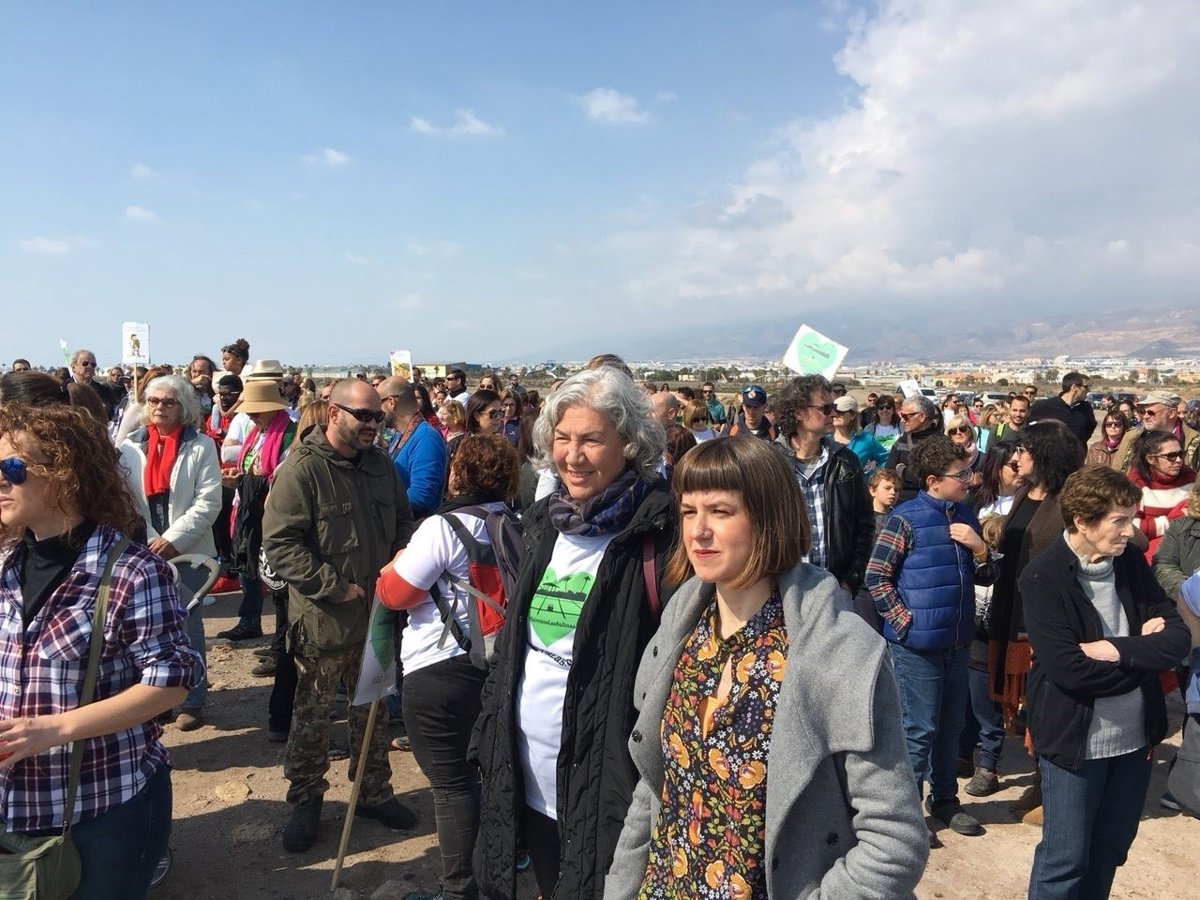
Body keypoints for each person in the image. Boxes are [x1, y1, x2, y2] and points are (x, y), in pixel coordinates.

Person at [604, 436, 928, 898]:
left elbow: (894, 842)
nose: (698, 531)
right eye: (689, 511)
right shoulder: (681, 625)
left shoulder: (838, 650)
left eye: (720, 511)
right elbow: (656, 786)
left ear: (768, 517)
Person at [473, 366, 676, 900]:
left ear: (629, 444)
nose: (573, 456)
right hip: (531, 776)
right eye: (562, 438)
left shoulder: (659, 536)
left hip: (608, 782)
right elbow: (516, 645)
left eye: (591, 439)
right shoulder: (544, 523)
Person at [0, 402, 202, 898]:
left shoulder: (132, 572)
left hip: (102, 806)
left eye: (12, 467)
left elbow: (171, 682)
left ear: (65, 473)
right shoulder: (6, 563)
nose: (0, 479)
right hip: (14, 804)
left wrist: (52, 729)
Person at [261, 379, 417, 852]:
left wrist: (400, 559)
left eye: (378, 417)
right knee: (312, 717)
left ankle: (373, 792)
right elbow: (280, 545)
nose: (373, 425)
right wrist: (335, 586)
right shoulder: (303, 471)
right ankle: (306, 799)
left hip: (376, 618)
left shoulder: (380, 466)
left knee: (372, 712)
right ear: (334, 413)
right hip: (324, 622)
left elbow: (403, 522)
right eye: (363, 416)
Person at [1022, 466, 1189, 899]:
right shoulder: (1042, 578)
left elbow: (1177, 638)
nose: (1131, 532)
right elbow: (1070, 671)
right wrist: (1145, 653)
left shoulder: (1129, 561)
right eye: (1119, 521)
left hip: (1135, 743)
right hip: (1075, 745)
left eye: (1131, 519)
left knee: (1110, 851)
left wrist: (1118, 649)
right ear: (1082, 520)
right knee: (1065, 862)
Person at [376, 434, 520, 900]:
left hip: (438, 669)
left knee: (452, 784)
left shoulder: (441, 528)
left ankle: (460, 890)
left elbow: (397, 594)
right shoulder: (514, 522)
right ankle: (503, 863)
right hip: (497, 666)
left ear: (458, 474)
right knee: (490, 774)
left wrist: (391, 567)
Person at [865, 435, 998, 839]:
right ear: (933, 481)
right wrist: (904, 622)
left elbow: (986, 577)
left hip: (957, 642)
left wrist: (980, 549)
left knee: (951, 725)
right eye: (961, 475)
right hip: (916, 648)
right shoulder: (904, 519)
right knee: (919, 729)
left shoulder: (966, 516)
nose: (969, 480)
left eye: (969, 472)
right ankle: (906, 817)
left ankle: (945, 800)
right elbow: (876, 576)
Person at [986, 420, 1086, 822]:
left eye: (1023, 451)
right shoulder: (1023, 493)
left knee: (1046, 706)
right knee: (1031, 707)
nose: (1015, 458)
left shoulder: (1068, 500)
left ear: (1044, 454)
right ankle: (1042, 782)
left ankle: (1053, 793)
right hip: (1013, 611)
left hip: (1047, 619)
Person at [117, 375, 221, 732]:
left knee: (188, 624)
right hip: (143, 548)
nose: (159, 407)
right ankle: (156, 700)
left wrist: (172, 541)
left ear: (183, 407)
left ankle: (193, 700)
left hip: (189, 549)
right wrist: (150, 540)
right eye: (154, 401)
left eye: (168, 402)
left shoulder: (202, 446)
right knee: (147, 626)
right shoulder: (130, 447)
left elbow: (208, 502)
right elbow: (125, 502)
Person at [771, 376, 875, 596]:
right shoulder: (769, 463)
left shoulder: (845, 461)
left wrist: (850, 581)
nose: (834, 414)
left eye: (834, 407)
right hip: (782, 590)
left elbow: (864, 523)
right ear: (798, 413)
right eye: (826, 408)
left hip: (835, 588)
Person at [216, 380, 299, 642]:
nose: (251, 414)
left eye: (256, 409)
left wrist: (244, 481)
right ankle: (250, 620)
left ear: (274, 408)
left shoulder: (289, 435)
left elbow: (282, 477)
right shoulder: (257, 433)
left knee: (276, 573)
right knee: (249, 564)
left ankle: (283, 638)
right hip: (248, 511)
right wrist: (241, 478)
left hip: (272, 512)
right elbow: (250, 466)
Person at [1153, 479, 1200, 812]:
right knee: (1191, 699)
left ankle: (1183, 777)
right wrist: (1191, 591)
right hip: (1188, 625)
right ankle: (1184, 783)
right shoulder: (1183, 529)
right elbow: (1163, 566)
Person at [378, 376, 448, 520]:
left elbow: (421, 496)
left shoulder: (427, 437)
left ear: (391, 402)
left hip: (416, 529)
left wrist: (377, 508)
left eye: (378, 403)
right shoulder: (400, 435)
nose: (376, 410)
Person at [1127, 430, 1196, 565]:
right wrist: (1172, 521)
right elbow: (1132, 527)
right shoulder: (1137, 483)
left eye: (1181, 454)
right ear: (1151, 459)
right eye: (1171, 456)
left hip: (1188, 552)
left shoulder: (1191, 478)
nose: (1179, 460)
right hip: (1151, 557)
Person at [886, 393, 942, 500]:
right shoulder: (901, 441)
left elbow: (933, 479)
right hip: (901, 502)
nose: (902, 420)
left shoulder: (942, 443)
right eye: (901, 415)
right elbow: (889, 474)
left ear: (921, 417)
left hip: (930, 503)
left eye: (905, 416)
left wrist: (901, 471)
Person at [1028, 371, 1097, 445]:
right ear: (1074, 387)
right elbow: (1029, 428)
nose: (1089, 390)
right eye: (1086, 387)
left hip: (1076, 451)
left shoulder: (1086, 407)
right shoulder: (1043, 406)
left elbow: (1090, 428)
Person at [831, 395, 889, 473]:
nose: (835, 415)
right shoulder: (824, 437)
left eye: (840, 412)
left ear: (853, 415)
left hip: (856, 481)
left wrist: (872, 476)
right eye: (833, 411)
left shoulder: (866, 439)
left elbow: (887, 459)